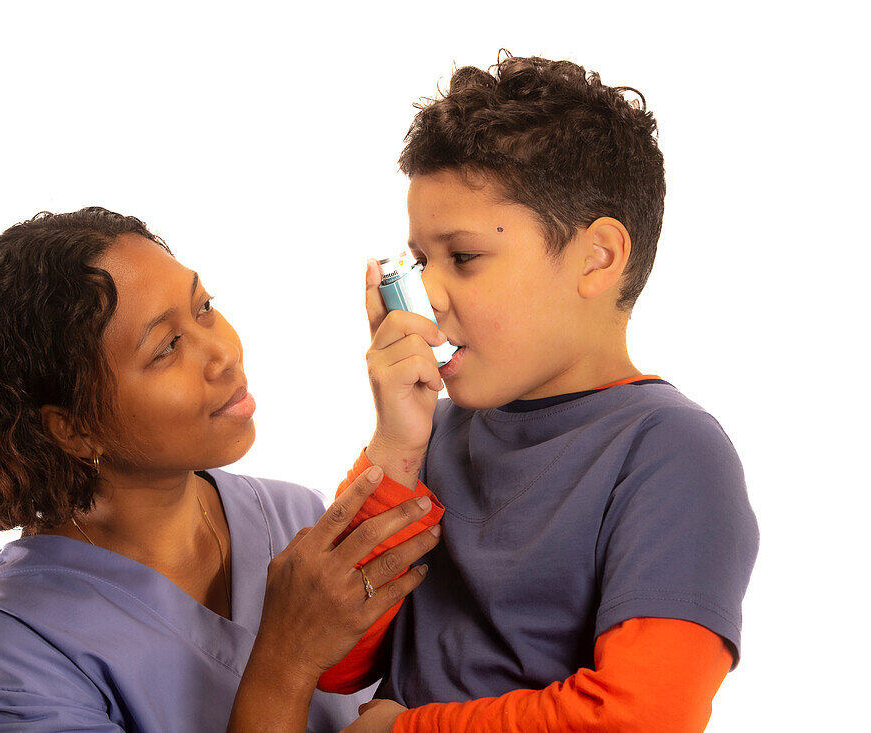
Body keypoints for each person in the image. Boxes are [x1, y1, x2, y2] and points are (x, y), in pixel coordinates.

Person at [318, 54, 761, 731]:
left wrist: (402, 729)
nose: (427, 296)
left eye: (463, 258)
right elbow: (328, 660)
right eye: (419, 260)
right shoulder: (429, 434)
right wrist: (395, 445)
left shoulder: (671, 451)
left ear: (597, 258)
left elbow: (644, 714)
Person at [0, 207, 443, 732]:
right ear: (73, 428)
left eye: (205, 307)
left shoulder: (298, 518)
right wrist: (287, 661)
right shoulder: (16, 648)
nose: (224, 353)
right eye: (167, 347)